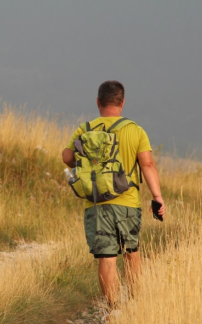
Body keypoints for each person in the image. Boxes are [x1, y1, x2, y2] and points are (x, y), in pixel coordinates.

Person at [62, 80, 165, 310]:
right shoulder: (135, 130)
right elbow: (147, 164)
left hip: (96, 203)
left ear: (98, 102)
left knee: (106, 259)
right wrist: (157, 197)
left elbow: (67, 158)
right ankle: (136, 307)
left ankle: (112, 310)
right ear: (122, 102)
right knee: (132, 253)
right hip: (127, 203)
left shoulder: (85, 129)